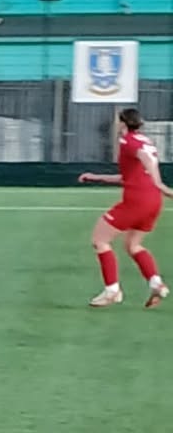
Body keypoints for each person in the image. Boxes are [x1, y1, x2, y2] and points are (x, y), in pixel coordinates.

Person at [80, 107, 172, 308]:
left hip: (137, 200)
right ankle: (156, 283)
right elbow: (129, 176)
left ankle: (112, 290)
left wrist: (160, 184)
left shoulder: (126, 141)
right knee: (133, 246)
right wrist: (96, 177)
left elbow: (146, 161)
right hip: (153, 201)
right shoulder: (146, 141)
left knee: (100, 239)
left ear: (122, 123)